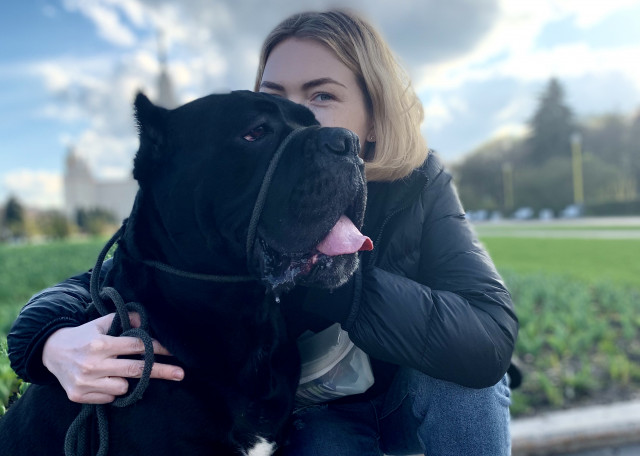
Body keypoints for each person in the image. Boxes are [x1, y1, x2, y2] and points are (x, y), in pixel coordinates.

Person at [8, 9, 518, 456]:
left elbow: (489, 337)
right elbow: (123, 271)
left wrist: (344, 287)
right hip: (323, 413)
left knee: (463, 381)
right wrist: (51, 343)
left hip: (407, 399)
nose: (302, 119)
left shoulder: (421, 185)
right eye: (272, 103)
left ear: (373, 116)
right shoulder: (244, 198)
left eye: (322, 95)